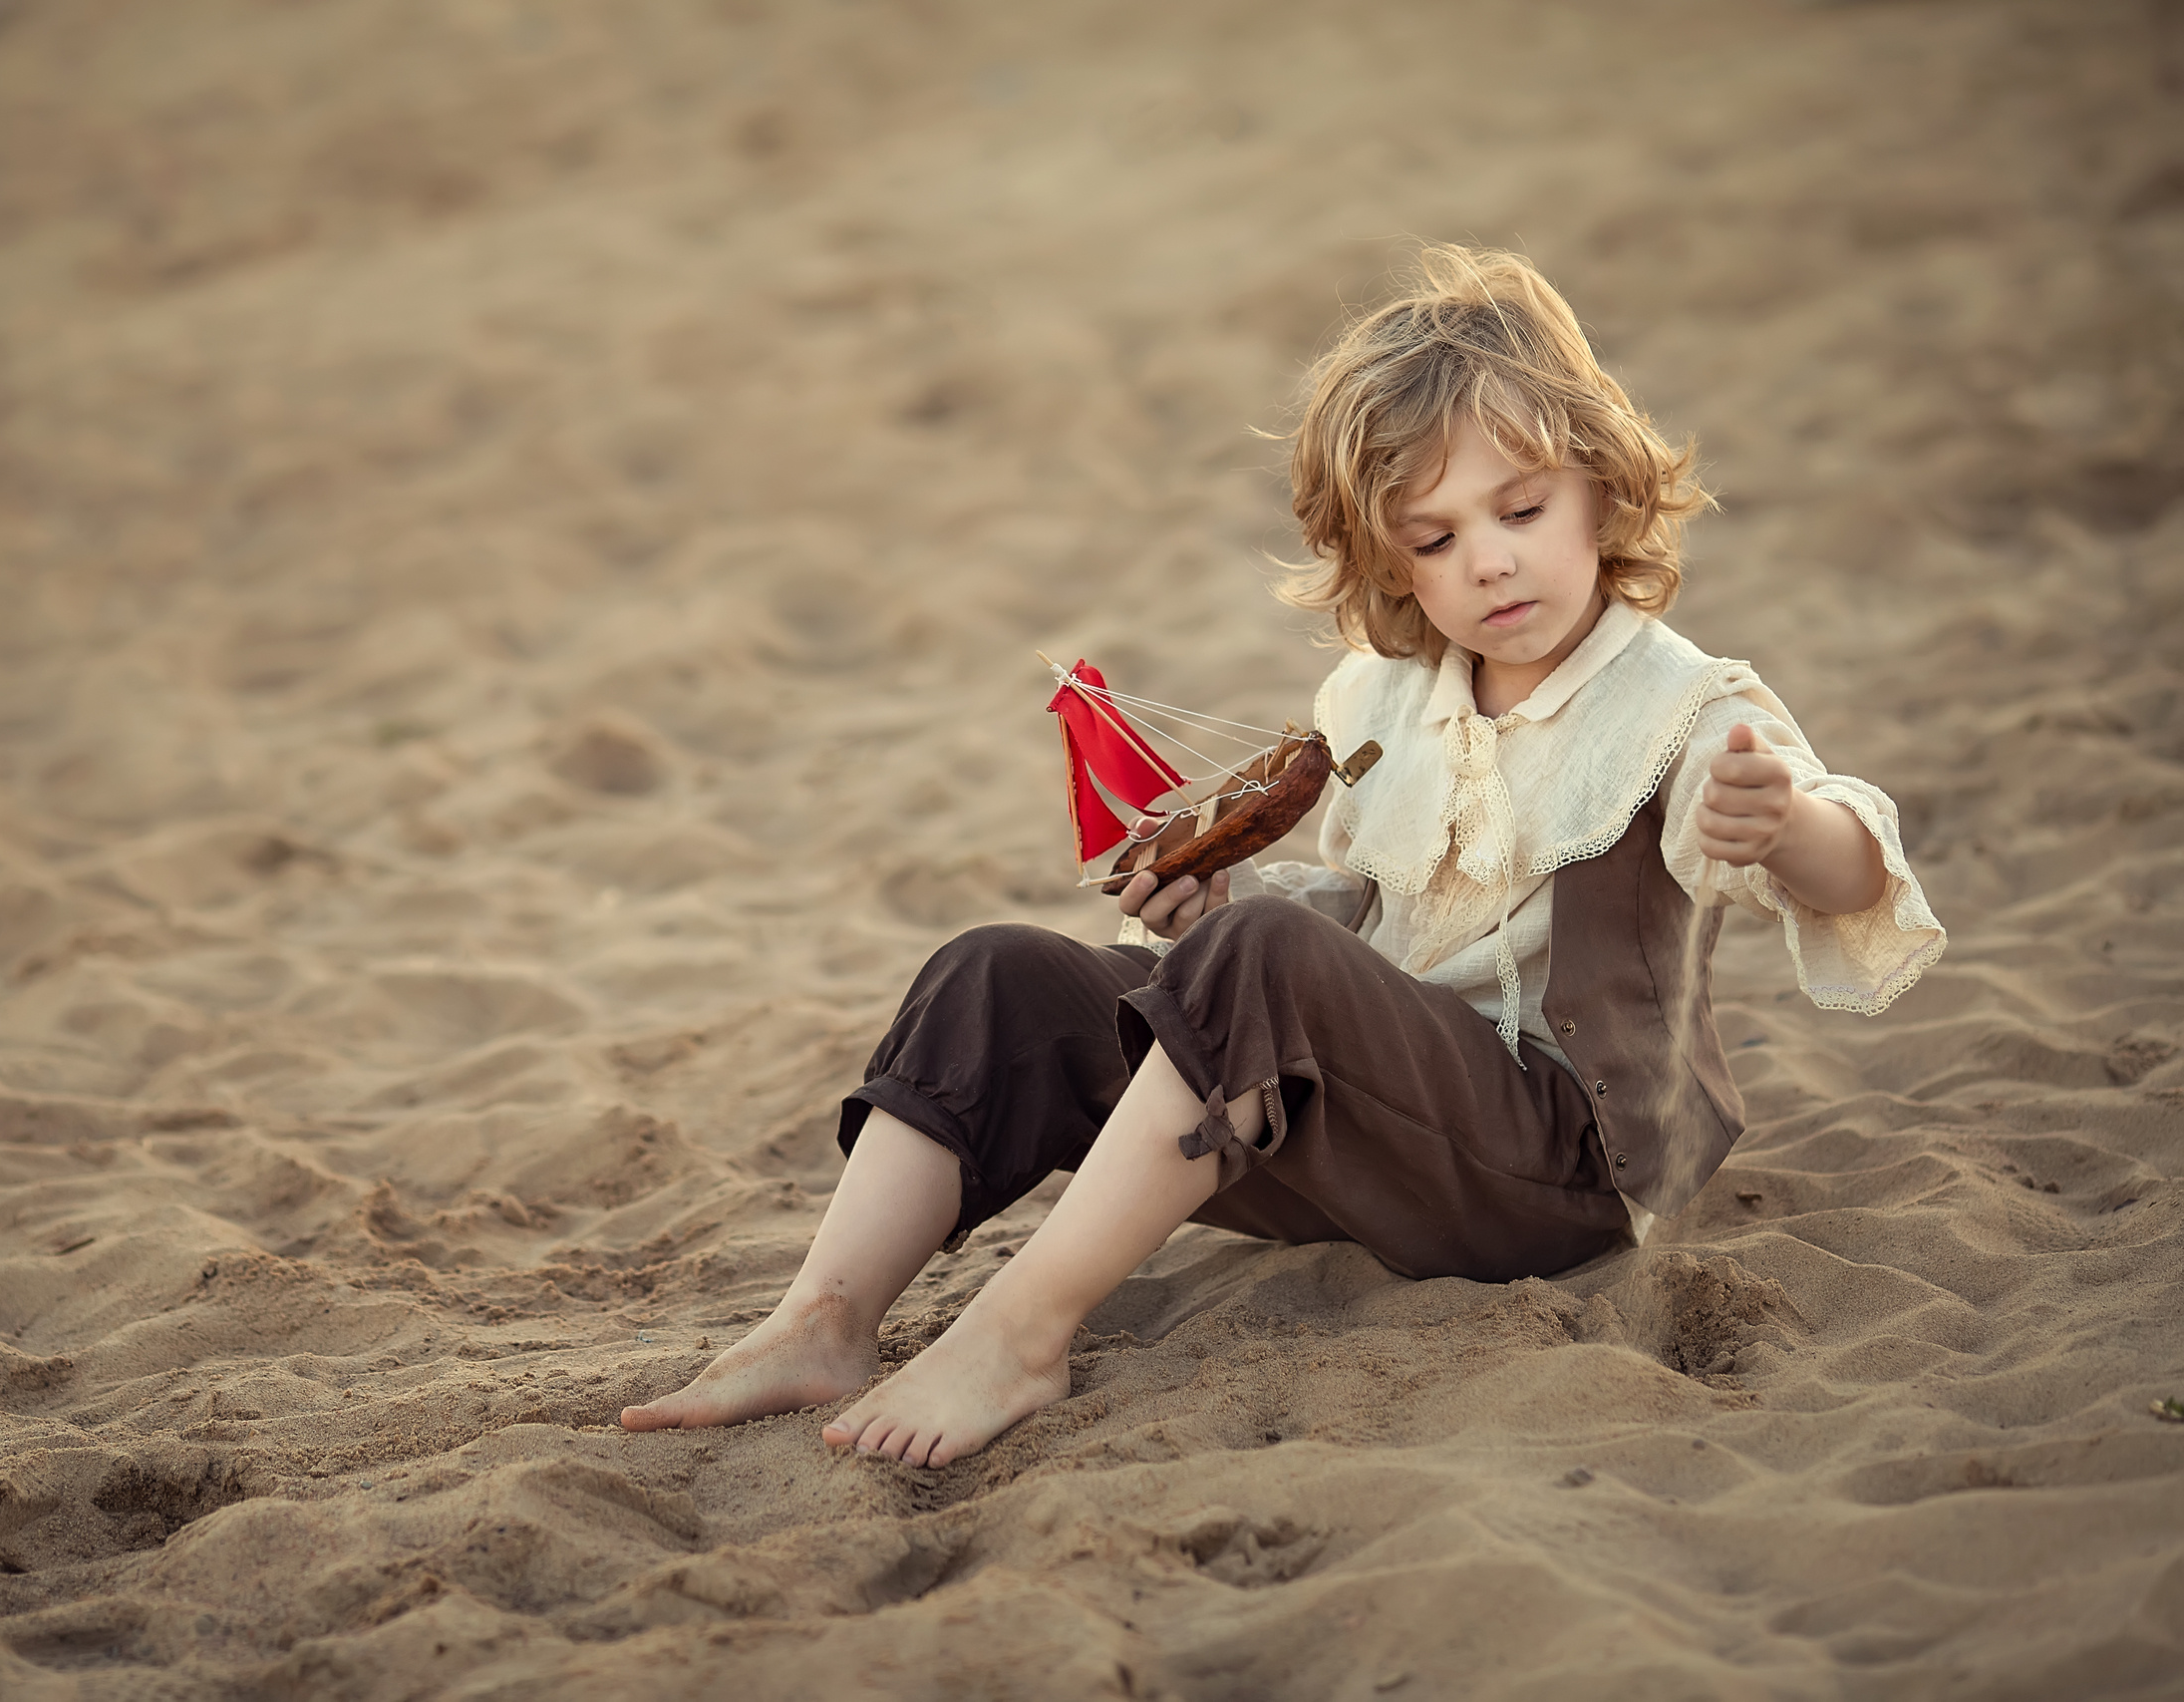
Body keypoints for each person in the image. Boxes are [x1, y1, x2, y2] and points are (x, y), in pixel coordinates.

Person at [620, 245, 1946, 1467]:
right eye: (1433, 540)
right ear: (1388, 564)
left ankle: (1018, 1336)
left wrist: (1783, 824)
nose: (1488, 563)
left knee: (1267, 957)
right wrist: (1219, 911)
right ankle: (825, 1319)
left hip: (1553, 1168)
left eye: (1521, 508)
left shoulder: (1683, 705)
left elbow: (1857, 873)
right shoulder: (1385, 701)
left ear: (1600, 484)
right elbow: (1364, 927)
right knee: (1000, 976)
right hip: (1362, 1151)